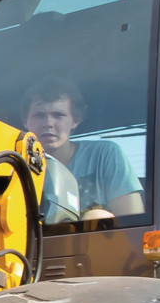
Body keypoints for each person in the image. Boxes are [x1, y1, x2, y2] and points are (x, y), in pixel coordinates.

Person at [23, 79, 140, 225]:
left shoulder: (105, 155)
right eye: (39, 115)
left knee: (96, 216)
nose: (48, 123)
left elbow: (132, 221)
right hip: (32, 247)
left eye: (58, 115)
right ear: (26, 122)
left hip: (98, 245)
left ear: (75, 120)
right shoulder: (14, 166)